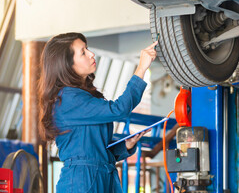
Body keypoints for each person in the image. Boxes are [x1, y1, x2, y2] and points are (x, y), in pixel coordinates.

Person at [38, 32, 158, 193]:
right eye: (83, 52)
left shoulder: (80, 96)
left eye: (87, 48)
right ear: (66, 64)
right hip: (82, 181)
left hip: (99, 177)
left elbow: (96, 153)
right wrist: (141, 68)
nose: (91, 53)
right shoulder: (68, 98)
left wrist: (126, 145)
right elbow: (119, 109)